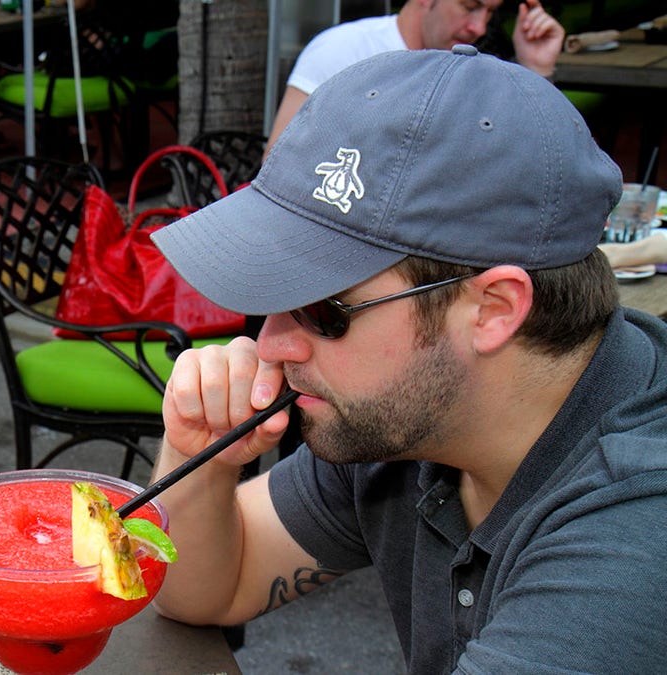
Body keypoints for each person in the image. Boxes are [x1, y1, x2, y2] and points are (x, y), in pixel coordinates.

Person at [150, 46, 666, 673]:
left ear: (494, 309)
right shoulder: (408, 412)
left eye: (325, 310)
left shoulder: (632, 546)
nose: (270, 345)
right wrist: (196, 450)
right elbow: (209, 590)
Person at [264, 0, 565, 155]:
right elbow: (278, 159)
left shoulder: (469, 68)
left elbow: (519, 162)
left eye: (489, 12)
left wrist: (536, 69)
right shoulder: (346, 48)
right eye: (469, 6)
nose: (479, 28)